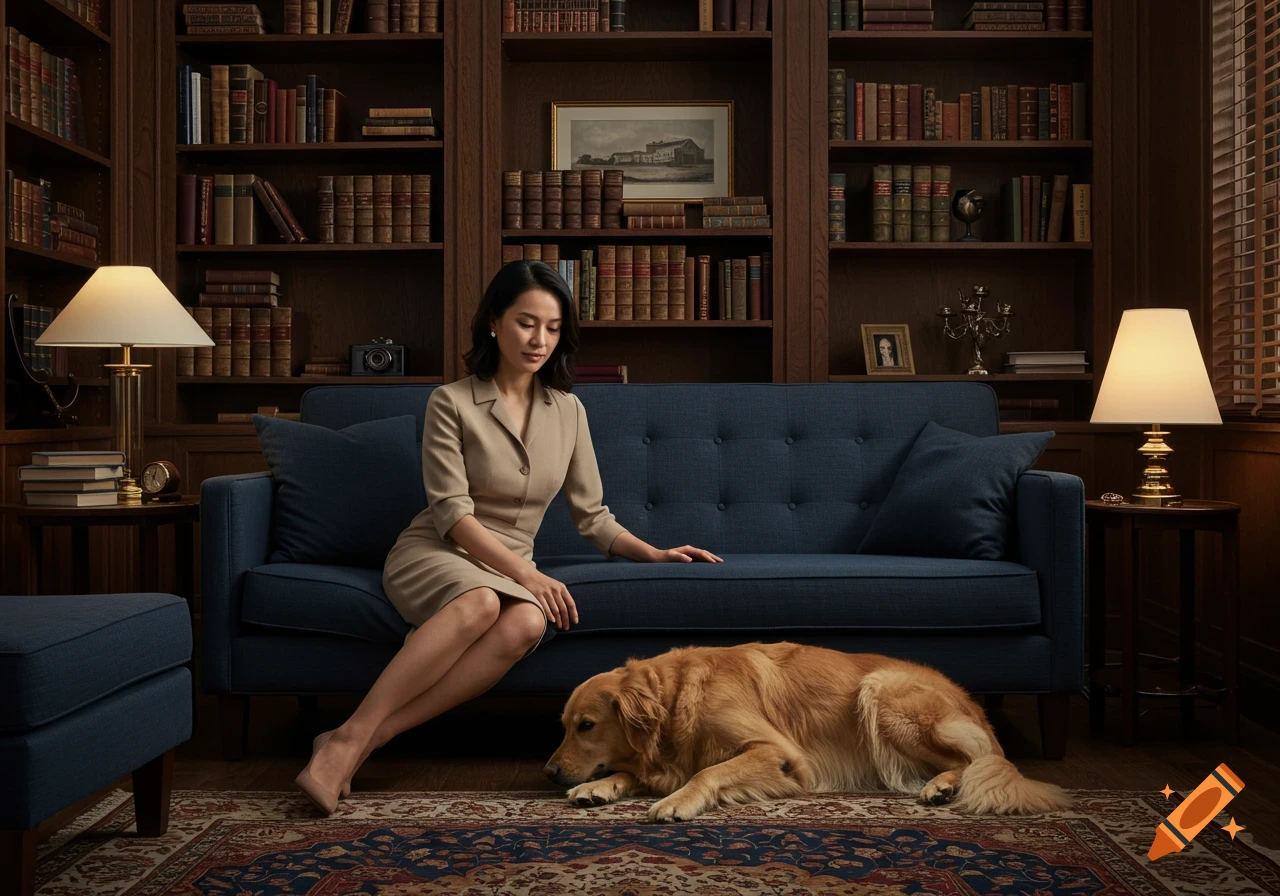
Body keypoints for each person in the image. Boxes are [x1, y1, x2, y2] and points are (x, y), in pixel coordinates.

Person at [295, 260, 723, 814]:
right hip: (437, 551)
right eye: (526, 323)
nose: (539, 340)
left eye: (551, 327)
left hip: (505, 568)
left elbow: (592, 516)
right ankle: (350, 738)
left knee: (526, 619)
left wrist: (655, 553)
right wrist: (528, 574)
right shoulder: (450, 402)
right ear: (494, 322)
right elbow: (451, 514)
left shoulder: (568, 410)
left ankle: (363, 739)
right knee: (479, 602)